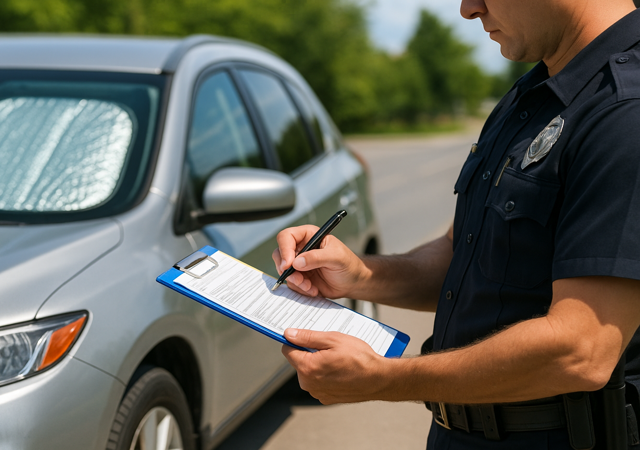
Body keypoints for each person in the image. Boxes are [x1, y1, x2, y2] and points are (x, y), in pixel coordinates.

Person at [272, 0, 640, 448]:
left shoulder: (627, 110)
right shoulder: (536, 91)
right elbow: (465, 256)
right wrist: (360, 275)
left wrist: (384, 378)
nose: (469, 9)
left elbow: (581, 351)